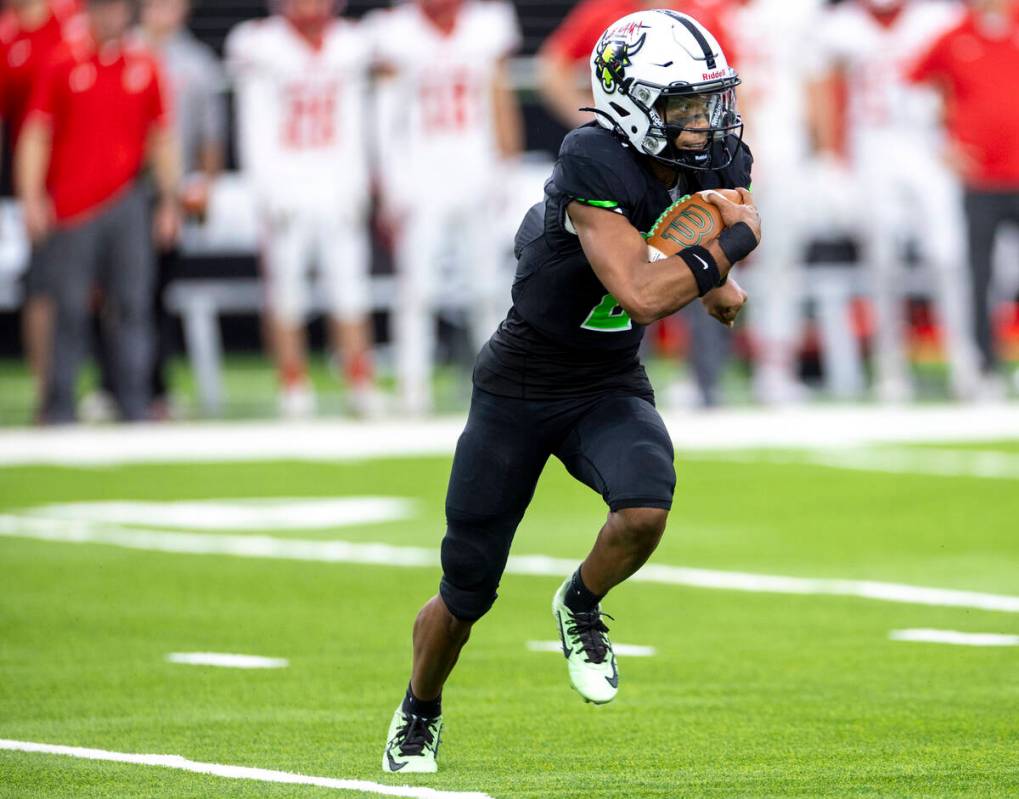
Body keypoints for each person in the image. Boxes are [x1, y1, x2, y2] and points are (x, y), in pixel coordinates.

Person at [381, 9, 760, 773]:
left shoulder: (716, 157)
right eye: (685, 105)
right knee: (466, 591)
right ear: (630, 100)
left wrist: (720, 274)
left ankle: (579, 601)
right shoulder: (593, 157)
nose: (706, 122)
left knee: (645, 506)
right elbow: (644, 290)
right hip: (519, 385)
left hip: (605, 378)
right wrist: (731, 245)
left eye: (709, 101)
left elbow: (708, 278)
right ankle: (418, 708)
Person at [537, 0, 737, 408]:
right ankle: (621, 385)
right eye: (686, 106)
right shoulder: (608, 15)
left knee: (697, 255)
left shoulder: (699, 15)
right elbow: (550, 68)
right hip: (631, 173)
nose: (702, 117)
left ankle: (707, 384)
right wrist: (601, 130)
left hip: (683, 168)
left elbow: (719, 94)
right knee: (629, 273)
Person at [809, 0, 982, 402]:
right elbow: (823, 88)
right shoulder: (842, 25)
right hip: (873, 145)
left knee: (948, 256)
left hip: (926, 145)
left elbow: (958, 81)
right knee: (882, 260)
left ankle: (966, 361)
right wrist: (831, 157)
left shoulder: (937, 17)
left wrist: (956, 135)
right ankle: (891, 366)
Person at [15, 0, 180, 423]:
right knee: (67, 308)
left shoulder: (144, 62)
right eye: (106, 8)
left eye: (120, 9)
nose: (114, 17)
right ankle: (59, 406)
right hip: (71, 206)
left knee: (131, 305)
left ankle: (134, 402)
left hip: (126, 200)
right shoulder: (62, 60)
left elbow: (161, 137)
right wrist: (32, 197)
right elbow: (37, 132)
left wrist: (168, 201)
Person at [369, 0, 523, 415]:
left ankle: (498, 382)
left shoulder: (487, 24)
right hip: (422, 173)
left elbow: (498, 94)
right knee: (417, 287)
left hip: (476, 166)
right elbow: (386, 113)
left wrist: (506, 164)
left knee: (487, 287)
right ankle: (412, 386)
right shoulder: (395, 30)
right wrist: (391, 180)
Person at [225, 0, 377, 419]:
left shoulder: (351, 43)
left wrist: (357, 181)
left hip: (335, 180)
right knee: (286, 292)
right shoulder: (260, 43)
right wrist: (266, 188)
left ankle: (358, 378)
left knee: (350, 289)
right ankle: (292, 381)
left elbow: (356, 121)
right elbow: (252, 122)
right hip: (288, 184)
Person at [908, 0, 1019, 398]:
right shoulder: (954, 38)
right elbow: (914, 90)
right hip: (982, 178)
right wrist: (941, 144)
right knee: (979, 275)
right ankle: (985, 366)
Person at [138, 0, 226, 418]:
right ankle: (112, 384)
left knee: (156, 291)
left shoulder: (195, 62)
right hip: (122, 187)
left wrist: (198, 186)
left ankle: (155, 385)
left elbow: (210, 135)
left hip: (169, 192)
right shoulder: (124, 51)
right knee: (111, 296)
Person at [0, 0, 79, 420]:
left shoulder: (69, 20)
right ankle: (47, 388)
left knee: (92, 286)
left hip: (84, 173)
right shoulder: (7, 38)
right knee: (42, 286)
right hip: (36, 183)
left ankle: (97, 384)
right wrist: (29, 191)